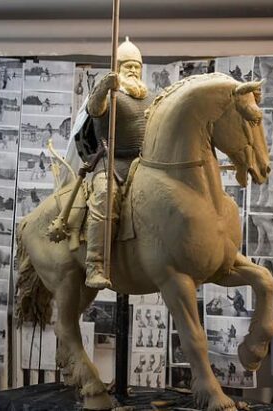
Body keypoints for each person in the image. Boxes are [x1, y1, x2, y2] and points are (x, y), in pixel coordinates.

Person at [81, 38, 157, 289]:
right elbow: (94, 109)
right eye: (128, 66)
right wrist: (104, 86)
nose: (133, 70)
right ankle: (95, 264)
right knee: (105, 195)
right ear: (118, 68)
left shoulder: (152, 98)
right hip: (113, 162)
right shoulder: (109, 96)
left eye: (137, 66)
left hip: (145, 162)